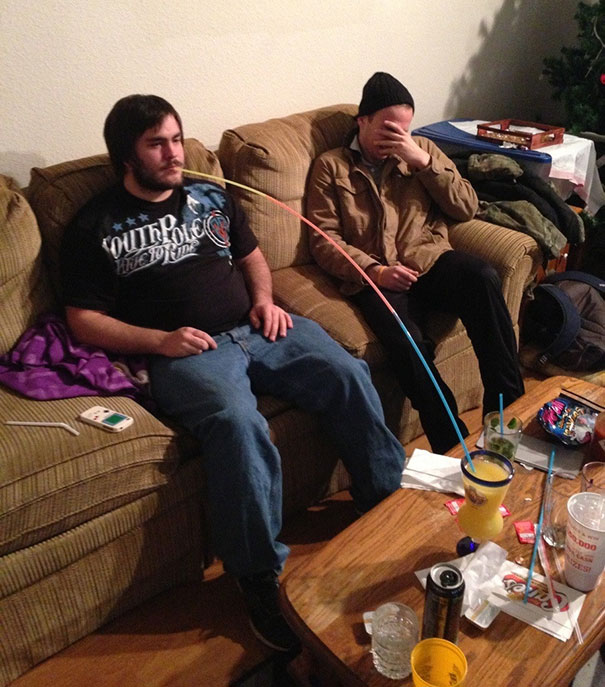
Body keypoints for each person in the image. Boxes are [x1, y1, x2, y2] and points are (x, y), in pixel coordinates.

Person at [59, 94, 406, 653]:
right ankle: (258, 577)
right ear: (127, 155)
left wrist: (265, 301)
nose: (175, 153)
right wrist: (160, 341)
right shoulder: (95, 226)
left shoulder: (211, 195)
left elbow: (252, 258)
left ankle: (384, 498)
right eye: (157, 144)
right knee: (239, 425)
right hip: (187, 353)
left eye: (176, 139)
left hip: (257, 326)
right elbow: (82, 319)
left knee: (347, 372)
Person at [306, 72, 525, 455]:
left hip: (430, 259)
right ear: (362, 121)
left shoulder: (421, 151)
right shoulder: (331, 166)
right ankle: (452, 443)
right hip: (376, 276)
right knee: (408, 344)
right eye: (389, 129)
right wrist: (375, 271)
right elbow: (324, 239)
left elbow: (466, 207)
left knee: (483, 278)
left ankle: (506, 416)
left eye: (404, 129)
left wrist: (422, 162)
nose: (397, 138)